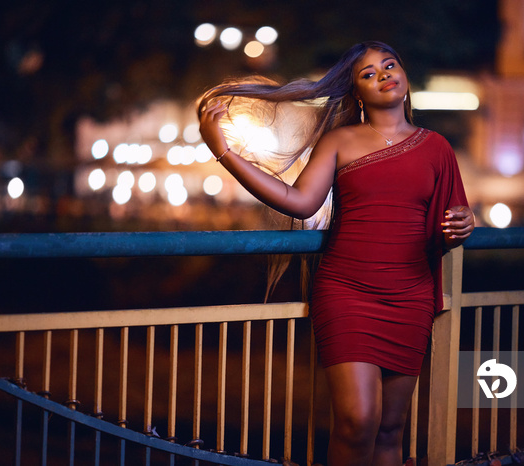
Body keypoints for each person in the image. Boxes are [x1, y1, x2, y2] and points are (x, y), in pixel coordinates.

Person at [198, 41, 474, 466]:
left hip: (410, 296)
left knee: (390, 429)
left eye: (389, 65)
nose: (383, 75)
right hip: (349, 293)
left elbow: (454, 217)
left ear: (404, 75)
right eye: (368, 74)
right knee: (358, 420)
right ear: (355, 93)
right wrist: (224, 152)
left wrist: (464, 223)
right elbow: (300, 202)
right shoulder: (340, 140)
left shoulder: (436, 146)